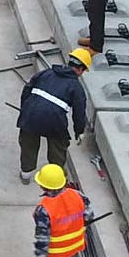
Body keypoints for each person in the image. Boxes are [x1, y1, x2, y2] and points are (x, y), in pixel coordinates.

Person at [16, 46, 91, 184]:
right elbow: (79, 113)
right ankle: (56, 176)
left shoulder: (46, 73)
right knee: (58, 146)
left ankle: (26, 173)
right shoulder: (76, 87)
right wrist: (79, 131)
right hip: (54, 121)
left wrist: (25, 110)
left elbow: (27, 89)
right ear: (81, 69)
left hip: (30, 114)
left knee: (28, 143)